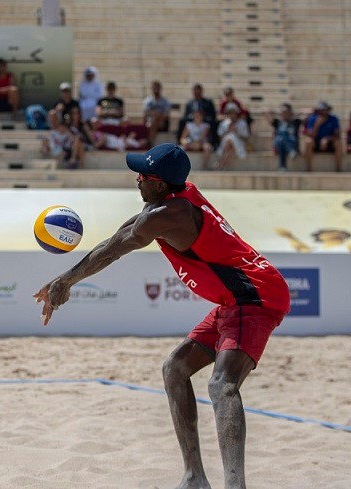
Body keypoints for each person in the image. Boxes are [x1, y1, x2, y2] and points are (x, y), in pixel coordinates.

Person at [34, 143, 290, 489]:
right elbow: (116, 238)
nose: (136, 180)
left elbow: (114, 250)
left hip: (256, 296)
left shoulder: (168, 215)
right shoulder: (170, 198)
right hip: (236, 298)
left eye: (143, 175)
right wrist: (63, 280)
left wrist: (66, 282)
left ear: (158, 184)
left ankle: (235, 486)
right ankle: (194, 477)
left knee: (221, 385)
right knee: (175, 369)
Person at [302, 101, 343, 172]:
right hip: (316, 143)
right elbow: (311, 135)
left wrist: (327, 139)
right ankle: (308, 168)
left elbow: (337, 135)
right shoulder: (312, 119)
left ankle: (338, 168)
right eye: (321, 110)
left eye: (325, 110)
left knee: (338, 143)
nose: (323, 112)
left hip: (329, 143)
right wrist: (317, 124)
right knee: (308, 142)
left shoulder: (333, 119)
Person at [265, 103, 302, 171]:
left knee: (282, 137)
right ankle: (290, 150)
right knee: (282, 136)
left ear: (290, 112)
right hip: (280, 145)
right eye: (282, 112)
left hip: (292, 144)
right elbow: (267, 113)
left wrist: (294, 114)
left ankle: (282, 166)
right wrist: (277, 113)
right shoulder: (277, 122)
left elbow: (310, 112)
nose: (283, 113)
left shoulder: (296, 122)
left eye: (285, 112)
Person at [214, 103, 251, 170]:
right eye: (230, 113)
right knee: (230, 146)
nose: (231, 115)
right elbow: (220, 136)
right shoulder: (224, 123)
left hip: (239, 143)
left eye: (233, 113)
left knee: (230, 140)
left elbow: (246, 137)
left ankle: (219, 164)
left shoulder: (242, 123)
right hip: (226, 144)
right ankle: (221, 166)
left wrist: (236, 132)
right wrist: (228, 130)